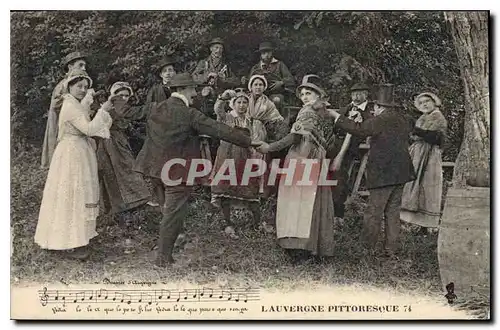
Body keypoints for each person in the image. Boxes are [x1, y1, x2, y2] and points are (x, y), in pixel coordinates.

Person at [141, 73, 257, 267]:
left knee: (169, 211)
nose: (195, 93)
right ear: (184, 89)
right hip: (177, 171)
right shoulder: (189, 113)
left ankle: (165, 254)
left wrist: (110, 104)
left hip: (155, 169)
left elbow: (127, 111)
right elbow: (219, 129)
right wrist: (249, 141)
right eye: (193, 89)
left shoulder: (155, 107)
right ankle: (162, 259)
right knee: (173, 213)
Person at [325, 84, 416, 259]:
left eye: (375, 107)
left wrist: (337, 116)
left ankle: (367, 249)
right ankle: (392, 249)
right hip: (402, 172)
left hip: (385, 173)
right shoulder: (401, 119)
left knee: (374, 211)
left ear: (379, 107)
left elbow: (360, 129)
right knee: (392, 211)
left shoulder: (381, 119)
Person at [34, 68, 114, 259]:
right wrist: (103, 111)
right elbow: (88, 128)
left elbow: (84, 112)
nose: (83, 89)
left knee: (78, 193)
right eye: (79, 86)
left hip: (78, 152)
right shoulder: (69, 106)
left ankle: (77, 238)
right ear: (69, 86)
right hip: (71, 155)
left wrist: (92, 102)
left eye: (85, 87)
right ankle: (72, 242)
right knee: (73, 194)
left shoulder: (75, 104)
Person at [256, 74, 336, 263]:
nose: (305, 97)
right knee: (311, 200)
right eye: (303, 94)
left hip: (302, 157)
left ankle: (299, 247)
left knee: (298, 201)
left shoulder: (307, 112)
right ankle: (314, 246)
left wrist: (270, 147)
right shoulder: (322, 113)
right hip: (314, 158)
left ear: (318, 95)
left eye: (310, 93)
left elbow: (295, 137)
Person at [211, 90, 265, 234]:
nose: (242, 105)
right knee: (225, 189)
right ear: (233, 104)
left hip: (245, 157)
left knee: (249, 189)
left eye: (244, 102)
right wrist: (223, 96)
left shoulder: (251, 121)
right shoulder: (226, 117)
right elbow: (218, 109)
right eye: (239, 102)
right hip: (227, 156)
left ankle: (257, 224)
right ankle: (228, 223)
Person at [96, 81, 152, 216]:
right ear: (113, 95)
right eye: (120, 95)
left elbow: (131, 129)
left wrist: (147, 138)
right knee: (119, 170)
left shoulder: (124, 109)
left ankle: (133, 202)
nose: (123, 98)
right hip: (109, 142)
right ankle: (126, 203)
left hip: (120, 141)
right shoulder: (109, 108)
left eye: (126, 96)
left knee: (125, 169)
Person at [400, 92, 448, 231]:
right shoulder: (423, 117)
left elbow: (436, 138)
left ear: (434, 102)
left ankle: (426, 223)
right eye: (421, 103)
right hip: (418, 153)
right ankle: (412, 221)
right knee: (414, 184)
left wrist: (417, 132)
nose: (424, 105)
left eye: (427, 101)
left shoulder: (438, 117)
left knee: (427, 185)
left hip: (429, 155)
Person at [327, 83, 375, 218]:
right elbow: (334, 126)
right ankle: (326, 207)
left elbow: (367, 131)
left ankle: (338, 212)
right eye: (354, 94)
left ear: (366, 95)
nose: (356, 96)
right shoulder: (345, 109)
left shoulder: (370, 113)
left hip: (353, 147)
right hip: (335, 144)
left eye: (360, 93)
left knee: (340, 175)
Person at [135, 57, 178, 208]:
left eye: (170, 70)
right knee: (156, 165)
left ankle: (174, 198)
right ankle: (160, 198)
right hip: (159, 132)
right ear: (161, 75)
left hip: (176, 131)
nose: (168, 73)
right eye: (165, 71)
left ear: (175, 72)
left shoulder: (179, 88)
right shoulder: (155, 90)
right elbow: (148, 111)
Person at [41, 51, 87, 169]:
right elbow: (56, 104)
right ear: (70, 67)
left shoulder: (81, 83)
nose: (83, 68)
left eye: (84, 66)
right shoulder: (63, 85)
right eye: (80, 65)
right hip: (61, 122)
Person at [247, 74, 289, 199]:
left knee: (260, 158)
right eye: (255, 84)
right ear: (251, 87)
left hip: (260, 131)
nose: (258, 87)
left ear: (264, 87)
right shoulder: (244, 99)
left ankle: (260, 190)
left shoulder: (268, 103)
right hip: (246, 129)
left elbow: (277, 119)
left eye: (261, 85)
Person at [247, 42, 295, 113]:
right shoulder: (256, 68)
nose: (266, 55)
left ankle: (276, 121)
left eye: (268, 52)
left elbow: (291, 80)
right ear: (260, 54)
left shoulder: (280, 65)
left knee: (276, 100)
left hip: (275, 94)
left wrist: (281, 82)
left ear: (272, 52)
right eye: (263, 53)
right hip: (258, 94)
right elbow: (249, 82)